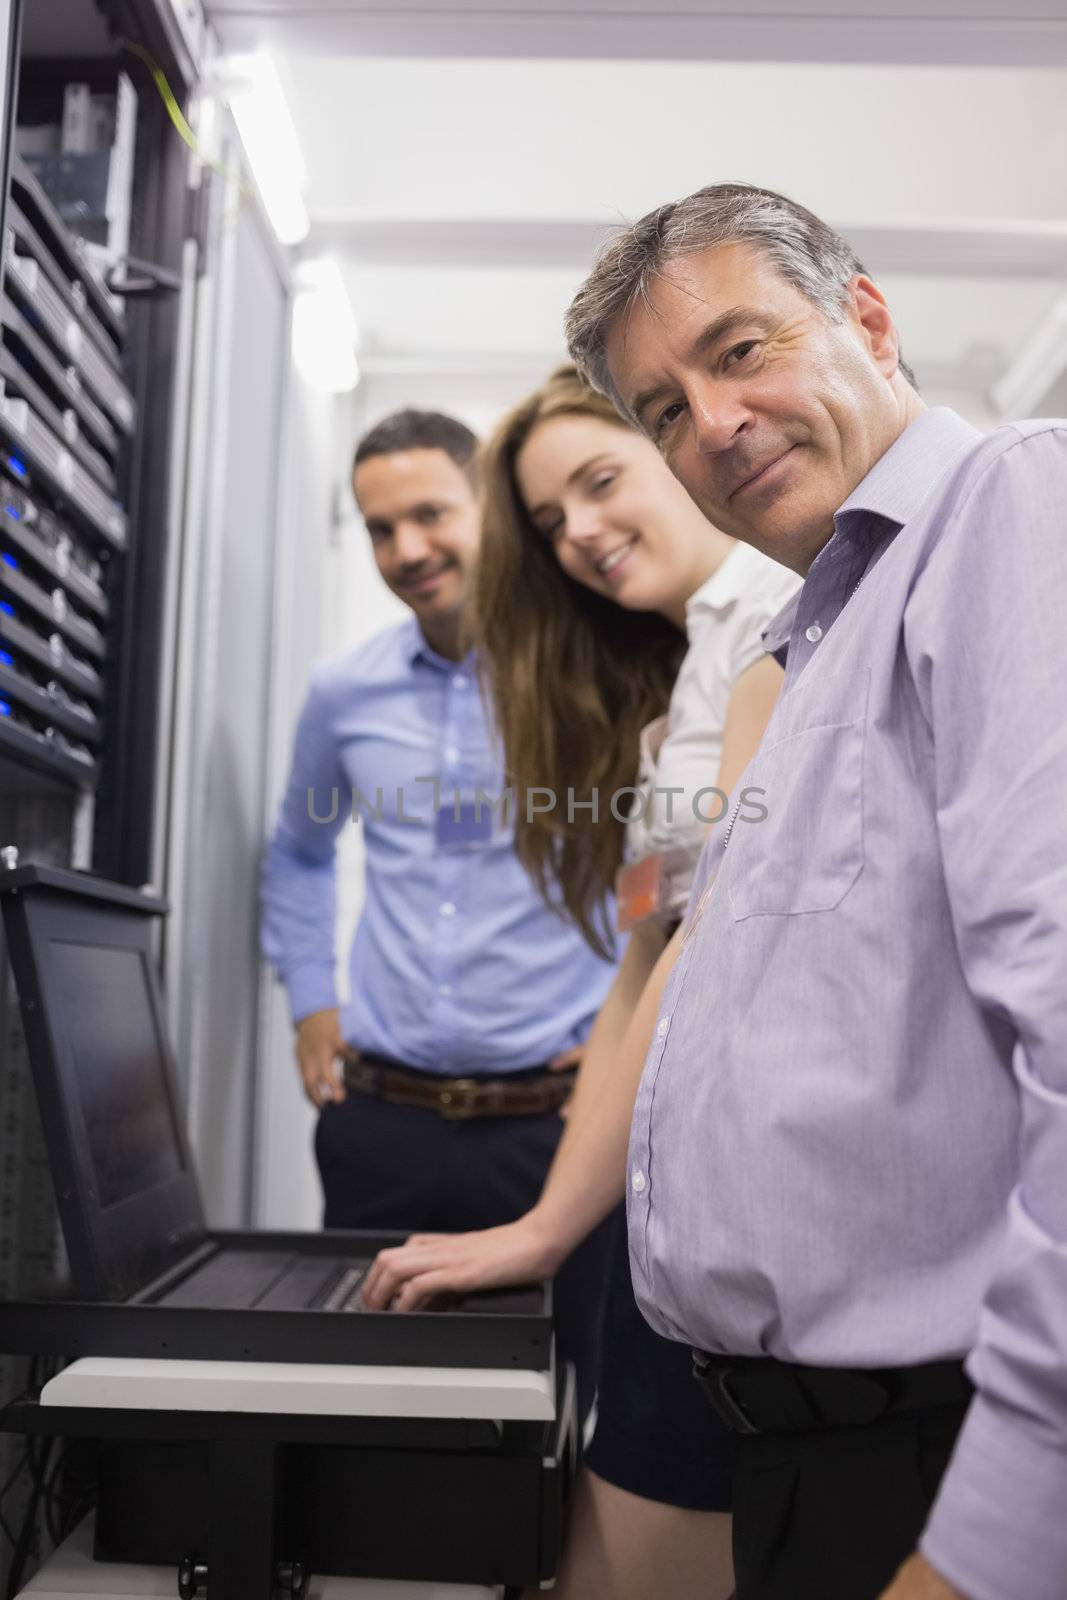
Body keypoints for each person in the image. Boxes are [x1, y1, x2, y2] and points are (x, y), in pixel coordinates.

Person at [544, 180, 1067, 1600]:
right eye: (659, 409)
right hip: (804, 1462)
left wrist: (989, 1545)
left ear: (866, 319)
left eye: (739, 350)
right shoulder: (818, 633)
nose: (706, 425)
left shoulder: (1011, 508)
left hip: (937, 1474)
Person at [364, 368, 799, 1600]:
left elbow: (695, 947)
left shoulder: (779, 612)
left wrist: (547, 1226)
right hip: (672, 1216)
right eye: (551, 524)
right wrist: (553, 1225)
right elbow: (640, 970)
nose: (581, 535)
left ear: (671, 446)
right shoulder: (689, 664)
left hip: (741, 1227)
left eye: (598, 482)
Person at [260, 408, 618, 1413]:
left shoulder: (589, 671)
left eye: (428, 514)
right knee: (373, 1410)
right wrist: (310, 1000)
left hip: (553, 1134)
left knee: (568, 1413)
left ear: (489, 510)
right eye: (379, 528)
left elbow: (659, 864)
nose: (405, 550)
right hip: (382, 1125)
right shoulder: (344, 693)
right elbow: (297, 852)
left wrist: (626, 1020)